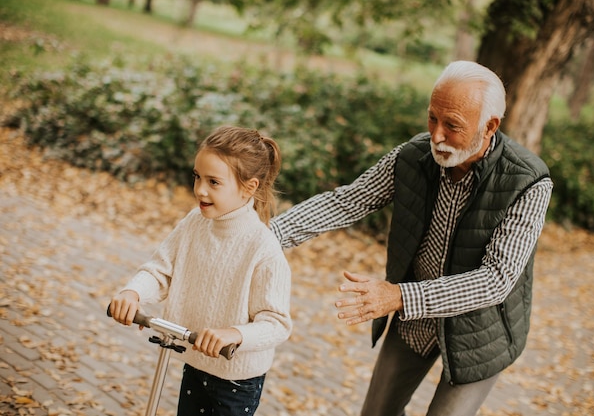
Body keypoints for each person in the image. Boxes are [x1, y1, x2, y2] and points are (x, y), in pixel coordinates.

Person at [269, 60, 553, 416]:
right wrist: (265, 237)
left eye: (453, 126)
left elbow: (496, 280)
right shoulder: (413, 156)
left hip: (479, 330)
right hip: (413, 318)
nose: (436, 136)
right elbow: (347, 202)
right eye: (433, 118)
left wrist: (399, 295)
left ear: (490, 126)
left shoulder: (528, 182)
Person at [109, 126, 292, 416]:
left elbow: (276, 323)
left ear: (250, 187)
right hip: (196, 359)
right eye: (198, 177)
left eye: (214, 182)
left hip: (236, 377)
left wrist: (235, 333)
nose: (200, 190)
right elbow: (161, 271)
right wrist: (133, 293)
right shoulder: (195, 222)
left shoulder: (263, 249)